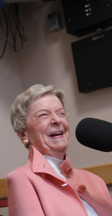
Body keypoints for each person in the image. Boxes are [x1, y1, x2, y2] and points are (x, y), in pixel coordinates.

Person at [7, 84, 112, 216]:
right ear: (24, 134)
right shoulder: (22, 179)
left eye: (60, 113)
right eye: (43, 115)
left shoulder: (95, 181)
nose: (56, 120)